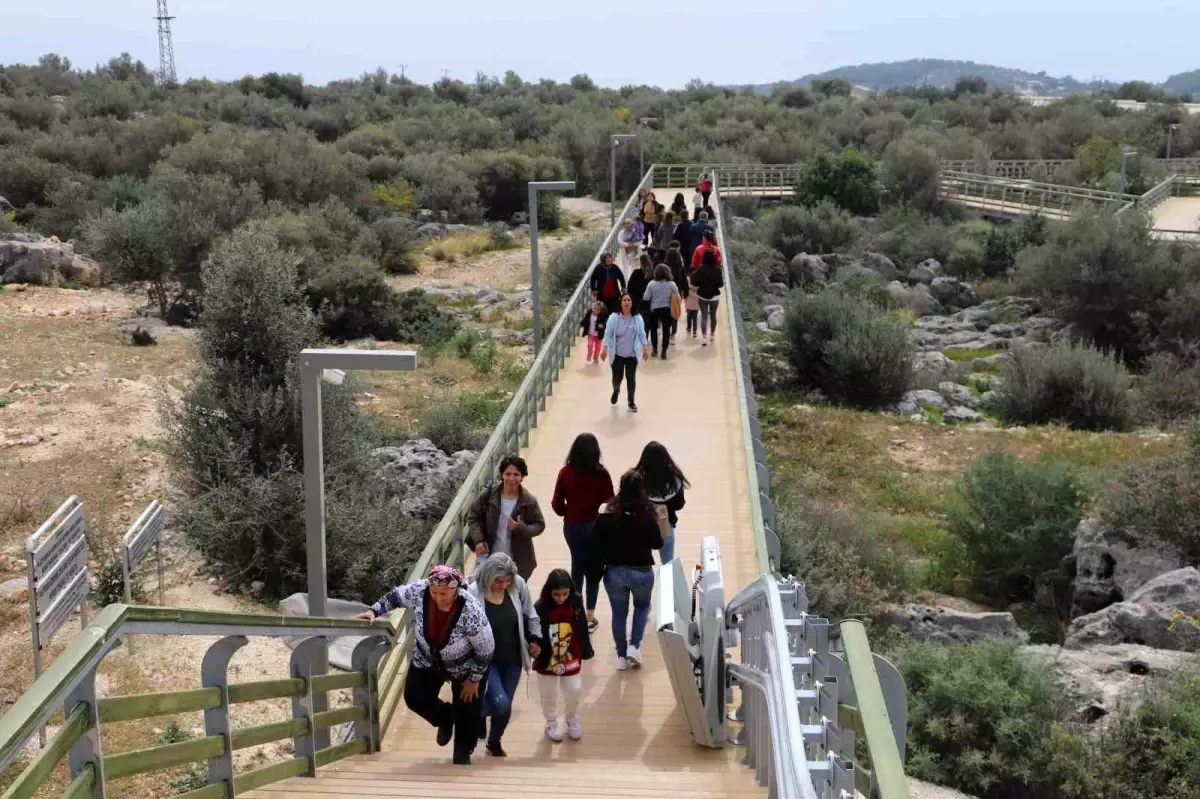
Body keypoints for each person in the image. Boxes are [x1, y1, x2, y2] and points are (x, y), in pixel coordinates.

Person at [357, 566, 493, 765]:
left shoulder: (470, 609)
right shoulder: (420, 591)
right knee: (414, 696)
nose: (439, 598)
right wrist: (374, 610)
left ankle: (462, 758)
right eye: (435, 592)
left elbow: (486, 649)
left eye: (444, 593)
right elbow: (396, 596)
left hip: (467, 666)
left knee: (466, 717)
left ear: (455, 590)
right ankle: (444, 716)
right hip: (427, 658)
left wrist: (474, 680)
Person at [467, 554, 541, 758]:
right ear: (488, 576)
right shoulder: (473, 592)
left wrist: (535, 639)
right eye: (498, 581)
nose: (503, 585)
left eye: (507, 581)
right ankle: (476, 715)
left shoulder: (518, 586)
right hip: (485, 660)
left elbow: (531, 614)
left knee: (506, 704)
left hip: (512, 658)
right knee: (500, 703)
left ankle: (494, 742)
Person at [596, 470, 665, 670]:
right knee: (642, 608)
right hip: (642, 570)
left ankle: (620, 655)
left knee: (619, 614)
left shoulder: (608, 512)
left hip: (614, 571)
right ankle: (634, 646)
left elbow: (597, 539)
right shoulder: (647, 514)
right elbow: (657, 542)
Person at [551, 433, 614, 632]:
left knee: (576, 565)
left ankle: (575, 611)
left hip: (572, 526)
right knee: (593, 570)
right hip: (594, 525)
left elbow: (556, 502)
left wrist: (567, 513)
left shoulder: (565, 472)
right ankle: (589, 616)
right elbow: (610, 502)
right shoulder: (601, 474)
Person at [533, 569, 594, 742]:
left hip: (571, 655)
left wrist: (586, 650)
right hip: (547, 658)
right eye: (556, 594)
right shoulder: (540, 607)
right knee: (548, 693)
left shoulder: (575, 602)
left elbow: (581, 626)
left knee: (574, 689)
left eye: (565, 594)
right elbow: (534, 630)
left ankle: (571, 716)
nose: (561, 598)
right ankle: (551, 721)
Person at [467, 456, 546, 581]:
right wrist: (478, 540)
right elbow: (473, 516)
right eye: (508, 474)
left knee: (514, 596)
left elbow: (539, 525)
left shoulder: (529, 501)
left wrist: (520, 527)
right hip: (489, 555)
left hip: (518, 560)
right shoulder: (488, 495)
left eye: (516, 474)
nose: (512, 478)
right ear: (502, 475)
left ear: (522, 477)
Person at [634, 442, 689, 566]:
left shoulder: (636, 478)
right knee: (668, 562)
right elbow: (679, 504)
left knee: (641, 561)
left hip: (641, 524)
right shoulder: (674, 478)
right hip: (666, 524)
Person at [600, 293, 650, 413]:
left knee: (631, 378)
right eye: (624, 300)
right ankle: (616, 390)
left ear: (632, 303)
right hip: (617, 354)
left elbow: (642, 334)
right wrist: (604, 349)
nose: (626, 302)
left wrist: (645, 348)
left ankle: (631, 402)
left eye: (628, 300)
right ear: (621, 303)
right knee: (618, 377)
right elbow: (608, 334)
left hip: (632, 355)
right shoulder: (614, 317)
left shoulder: (637, 318)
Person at [645, 264, 681, 360]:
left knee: (653, 330)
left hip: (654, 309)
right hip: (666, 309)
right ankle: (664, 351)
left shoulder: (651, 284)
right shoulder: (671, 284)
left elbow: (646, 297)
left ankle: (655, 349)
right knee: (666, 330)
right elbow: (678, 297)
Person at [690, 250, 724, 346]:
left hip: (702, 296)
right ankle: (712, 335)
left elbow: (694, 281)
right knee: (713, 316)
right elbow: (721, 284)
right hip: (714, 296)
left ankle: (704, 338)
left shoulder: (700, 269)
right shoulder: (718, 270)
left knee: (704, 317)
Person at [626, 253, 654, 334]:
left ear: (640, 262)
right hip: (649, 301)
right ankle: (645, 337)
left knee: (637, 320)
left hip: (637, 301)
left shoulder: (636, 272)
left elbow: (629, 288)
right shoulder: (653, 273)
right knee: (647, 320)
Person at [665, 247, 689, 337]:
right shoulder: (681, 268)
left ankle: (666, 329)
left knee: (666, 312)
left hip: (666, 294)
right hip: (677, 294)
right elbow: (684, 282)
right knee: (675, 312)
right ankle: (673, 334)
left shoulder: (664, 267)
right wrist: (686, 293)